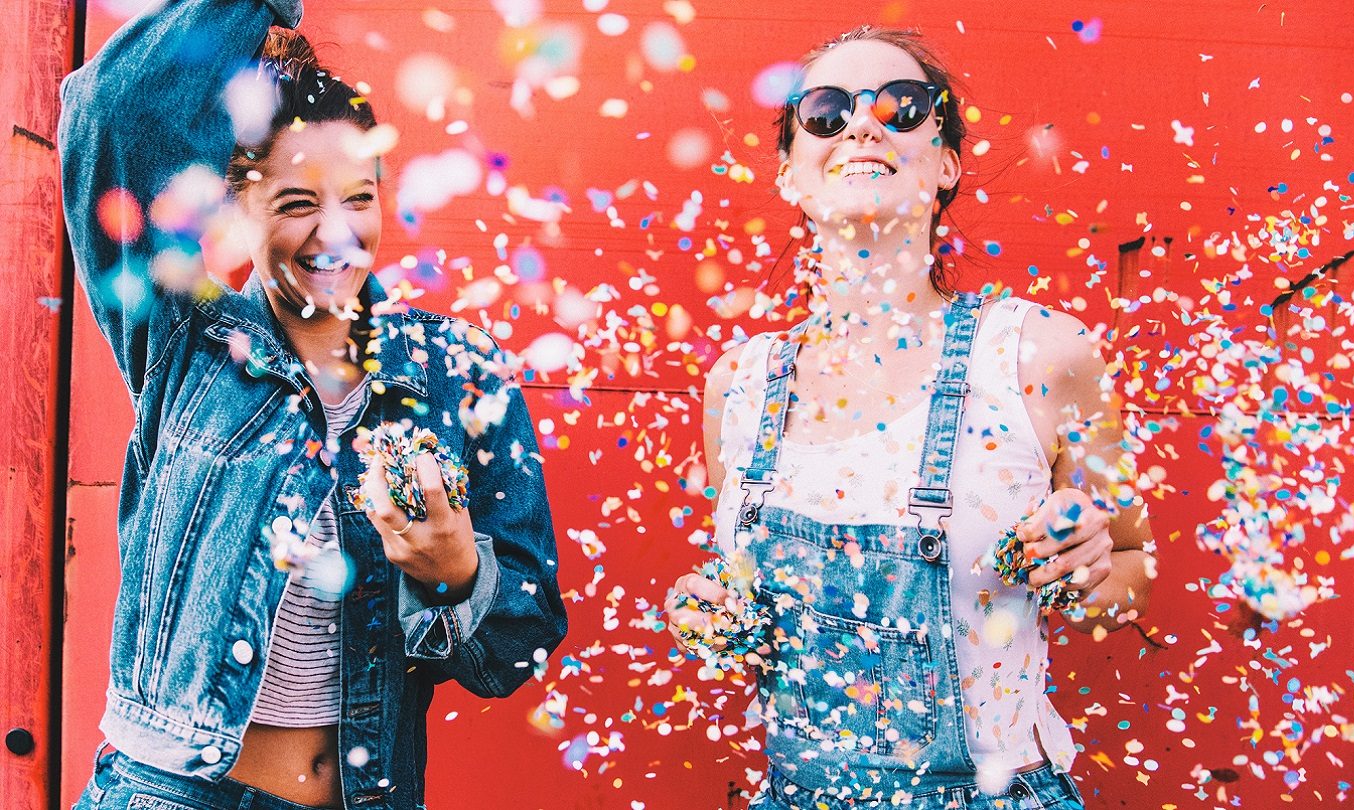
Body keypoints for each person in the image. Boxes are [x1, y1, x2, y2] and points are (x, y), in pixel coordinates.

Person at [59, 0, 565, 807]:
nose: (335, 235)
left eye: (358, 198)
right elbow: (111, 114)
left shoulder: (459, 373)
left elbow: (520, 647)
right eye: (296, 204)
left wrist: (457, 574)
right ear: (236, 207)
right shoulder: (185, 341)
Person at [667, 26, 1154, 809]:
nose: (863, 124)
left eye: (902, 107)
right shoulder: (740, 384)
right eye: (825, 111)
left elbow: (1133, 569)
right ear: (790, 171)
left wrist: (1089, 570)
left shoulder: (1044, 356)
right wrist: (703, 604)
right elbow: (737, 594)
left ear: (948, 163)